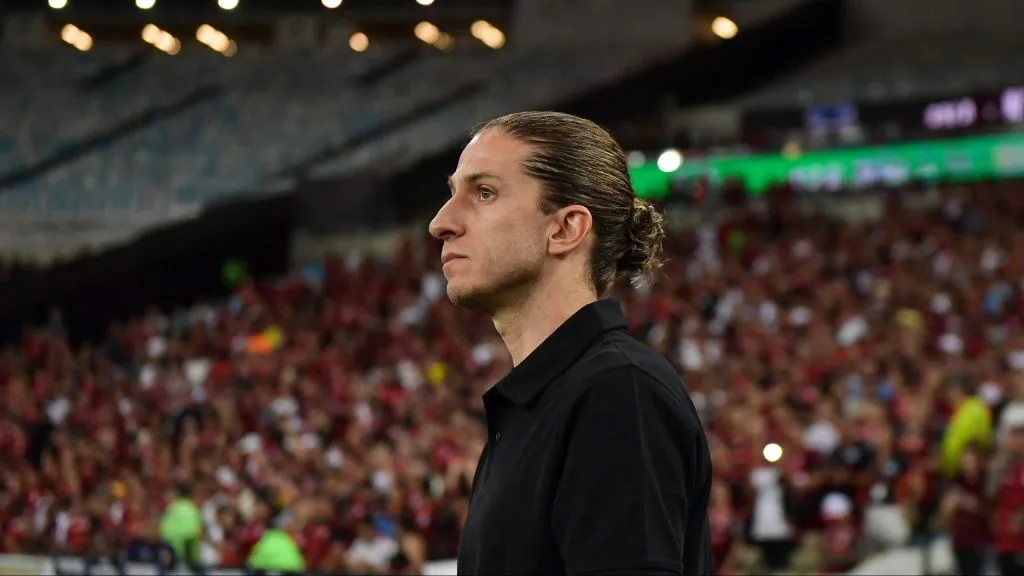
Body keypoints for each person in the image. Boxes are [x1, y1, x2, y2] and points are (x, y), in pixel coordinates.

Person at [428, 110, 713, 575]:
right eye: (452, 193)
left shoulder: (617, 391)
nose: (441, 223)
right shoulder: (539, 401)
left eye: (484, 192)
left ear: (565, 229)